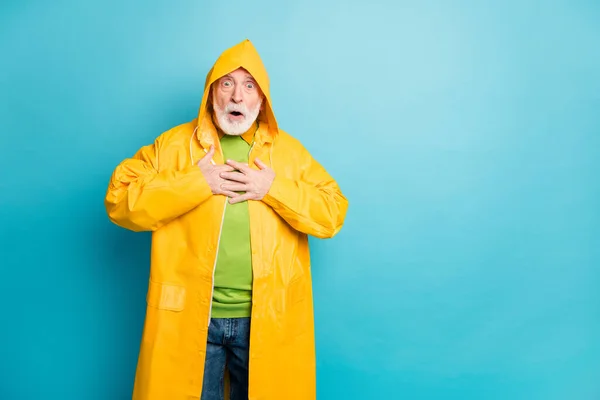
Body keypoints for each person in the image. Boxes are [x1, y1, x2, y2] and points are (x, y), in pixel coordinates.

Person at [104, 39, 348, 400]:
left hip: (266, 321)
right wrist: (195, 182)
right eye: (227, 84)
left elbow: (332, 213)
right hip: (189, 319)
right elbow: (120, 200)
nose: (237, 96)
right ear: (211, 94)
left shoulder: (289, 154)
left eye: (249, 86)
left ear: (262, 100)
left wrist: (272, 188)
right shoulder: (173, 147)